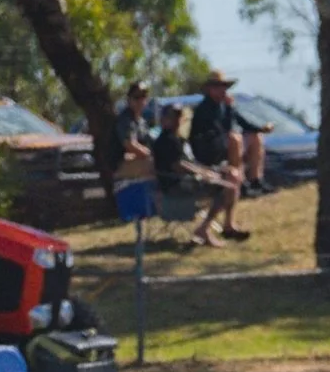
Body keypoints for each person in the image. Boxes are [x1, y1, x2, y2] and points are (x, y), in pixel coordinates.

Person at [151, 101, 243, 246]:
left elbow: (189, 162)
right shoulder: (165, 141)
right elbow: (178, 166)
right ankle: (204, 229)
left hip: (186, 181)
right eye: (172, 117)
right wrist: (204, 175)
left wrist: (210, 171)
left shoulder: (179, 139)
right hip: (176, 187)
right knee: (226, 188)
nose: (176, 120)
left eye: (178, 116)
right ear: (163, 120)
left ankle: (226, 226)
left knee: (229, 176)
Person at [190, 71, 272, 195]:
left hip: (223, 143)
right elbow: (219, 131)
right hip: (209, 149)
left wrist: (260, 129)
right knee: (235, 139)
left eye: (224, 86)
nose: (222, 90)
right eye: (217, 86)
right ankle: (240, 183)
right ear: (209, 89)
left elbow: (242, 122)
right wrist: (229, 111)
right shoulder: (204, 109)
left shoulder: (224, 105)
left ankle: (255, 180)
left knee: (256, 137)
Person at [113, 82, 158, 158]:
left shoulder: (142, 121)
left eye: (143, 96)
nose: (140, 101)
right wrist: (151, 155)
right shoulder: (125, 119)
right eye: (137, 97)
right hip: (120, 162)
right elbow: (130, 145)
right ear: (128, 99)